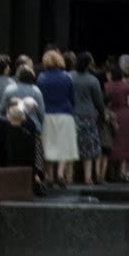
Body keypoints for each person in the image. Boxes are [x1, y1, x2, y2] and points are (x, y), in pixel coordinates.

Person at [36, 50, 78, 187]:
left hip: (47, 114)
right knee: (63, 145)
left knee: (49, 145)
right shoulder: (67, 77)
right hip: (65, 114)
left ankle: (49, 175)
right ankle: (60, 174)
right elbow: (72, 98)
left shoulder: (41, 78)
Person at [70, 52, 106, 186]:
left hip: (73, 115)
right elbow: (99, 101)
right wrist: (102, 113)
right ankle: (88, 177)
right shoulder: (93, 80)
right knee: (89, 148)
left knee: (73, 146)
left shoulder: (69, 77)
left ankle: (70, 175)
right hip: (88, 116)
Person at [104, 64, 129, 181]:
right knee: (125, 145)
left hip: (110, 116)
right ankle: (122, 173)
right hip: (125, 117)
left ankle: (109, 173)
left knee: (111, 144)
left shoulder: (106, 86)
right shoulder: (126, 87)